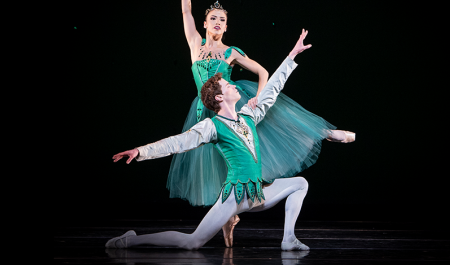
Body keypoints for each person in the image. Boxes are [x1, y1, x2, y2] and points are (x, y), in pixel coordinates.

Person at [171, 0, 355, 246]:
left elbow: (263, 72)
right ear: (205, 23)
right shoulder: (195, 44)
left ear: (226, 26)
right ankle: (229, 222)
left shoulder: (231, 51)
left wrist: (257, 94)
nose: (217, 22)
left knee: (272, 124)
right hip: (204, 110)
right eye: (213, 18)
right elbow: (185, 11)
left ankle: (323, 133)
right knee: (222, 167)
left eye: (222, 19)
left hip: (231, 105)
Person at [108, 31, 319, 251]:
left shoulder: (248, 115)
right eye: (228, 85)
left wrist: (291, 56)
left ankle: (288, 239)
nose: (234, 85)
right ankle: (129, 241)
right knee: (192, 242)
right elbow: (176, 143)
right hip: (235, 197)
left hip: (257, 193)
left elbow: (271, 90)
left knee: (300, 183)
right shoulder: (211, 126)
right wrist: (140, 151)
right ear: (219, 97)